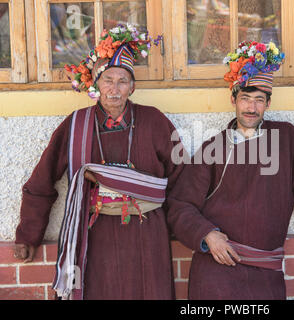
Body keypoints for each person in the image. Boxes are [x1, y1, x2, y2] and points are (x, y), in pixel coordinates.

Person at [14, 25, 184, 300]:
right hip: (95, 236)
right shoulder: (76, 125)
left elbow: (181, 179)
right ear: (96, 84)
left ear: (132, 86)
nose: (114, 89)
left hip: (147, 236)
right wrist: (28, 235)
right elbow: (42, 181)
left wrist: (180, 229)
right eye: (107, 80)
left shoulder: (154, 121)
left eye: (122, 81)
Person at [167, 41, 294, 299]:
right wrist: (207, 235)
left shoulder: (286, 140)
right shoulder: (212, 148)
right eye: (245, 98)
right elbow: (179, 205)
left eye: (259, 100)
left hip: (265, 278)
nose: (251, 107)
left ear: (268, 104)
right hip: (216, 276)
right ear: (233, 100)